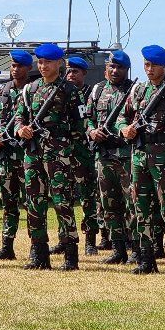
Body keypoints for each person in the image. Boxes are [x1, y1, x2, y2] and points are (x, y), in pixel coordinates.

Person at [118, 44, 165, 275]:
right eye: (146, 65)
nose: (149, 69)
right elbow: (122, 116)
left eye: (154, 65)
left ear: (164, 66)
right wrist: (125, 129)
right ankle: (146, 258)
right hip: (139, 154)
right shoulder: (139, 91)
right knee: (141, 207)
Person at [14, 42, 84, 270]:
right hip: (33, 153)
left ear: (59, 64)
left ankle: (70, 252)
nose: (43, 66)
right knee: (34, 202)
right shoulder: (30, 89)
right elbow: (18, 117)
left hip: (58, 154)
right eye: (40, 62)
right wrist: (21, 129)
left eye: (48, 62)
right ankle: (38, 253)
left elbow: (79, 127)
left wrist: (66, 148)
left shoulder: (70, 91)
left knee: (62, 202)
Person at [86, 50, 136, 265]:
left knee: (132, 205)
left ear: (126, 70)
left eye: (120, 68)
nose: (115, 71)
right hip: (103, 156)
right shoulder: (97, 90)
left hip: (126, 156)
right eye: (111, 67)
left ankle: (135, 247)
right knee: (109, 205)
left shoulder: (135, 90)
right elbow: (87, 118)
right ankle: (117, 249)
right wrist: (91, 132)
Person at [0, 50, 32, 261]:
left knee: (32, 204)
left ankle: (36, 246)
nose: (15, 69)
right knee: (8, 205)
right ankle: (7, 246)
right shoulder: (0, 91)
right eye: (13, 65)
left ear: (28, 68)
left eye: (20, 66)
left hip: (28, 157)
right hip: (5, 157)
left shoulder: (33, 91)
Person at [65, 55, 101, 256]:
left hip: (83, 153)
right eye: (69, 71)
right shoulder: (61, 92)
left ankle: (90, 240)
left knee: (88, 199)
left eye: (75, 72)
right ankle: (65, 237)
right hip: (62, 153)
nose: (71, 75)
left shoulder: (89, 94)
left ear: (84, 74)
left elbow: (88, 122)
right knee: (64, 198)